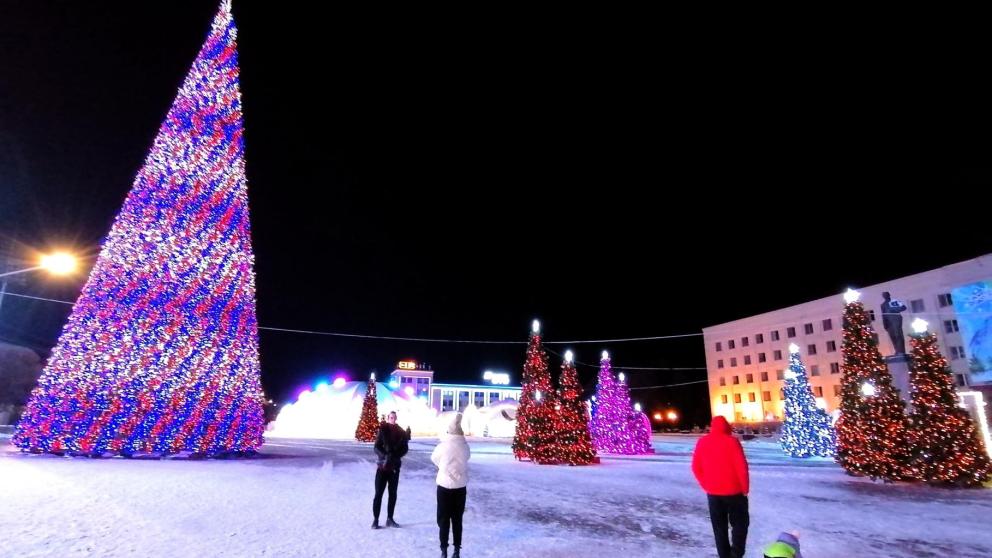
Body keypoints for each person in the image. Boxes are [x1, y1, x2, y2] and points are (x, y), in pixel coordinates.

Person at [691, 416, 750, 558]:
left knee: (719, 528)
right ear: (727, 427)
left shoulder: (702, 442)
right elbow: (742, 468)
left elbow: (695, 467)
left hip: (713, 494)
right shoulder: (732, 441)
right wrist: (745, 489)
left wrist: (706, 485)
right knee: (740, 524)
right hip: (735, 492)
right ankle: (736, 554)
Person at [432, 412, 471, 558]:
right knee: (457, 519)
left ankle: (444, 550)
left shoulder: (443, 446)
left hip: (444, 486)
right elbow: (467, 458)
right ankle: (456, 550)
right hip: (460, 487)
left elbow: (434, 458)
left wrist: (444, 468)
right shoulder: (465, 447)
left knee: (443, 519)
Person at [371, 411, 409, 529]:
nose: (393, 419)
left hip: (394, 468)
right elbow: (376, 447)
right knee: (378, 494)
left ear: (396, 418)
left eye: (394, 417)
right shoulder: (383, 429)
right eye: (391, 417)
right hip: (382, 467)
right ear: (388, 418)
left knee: (392, 494)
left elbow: (405, 448)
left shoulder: (401, 432)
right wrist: (384, 455)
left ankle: (390, 519)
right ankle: (376, 520)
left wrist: (395, 456)